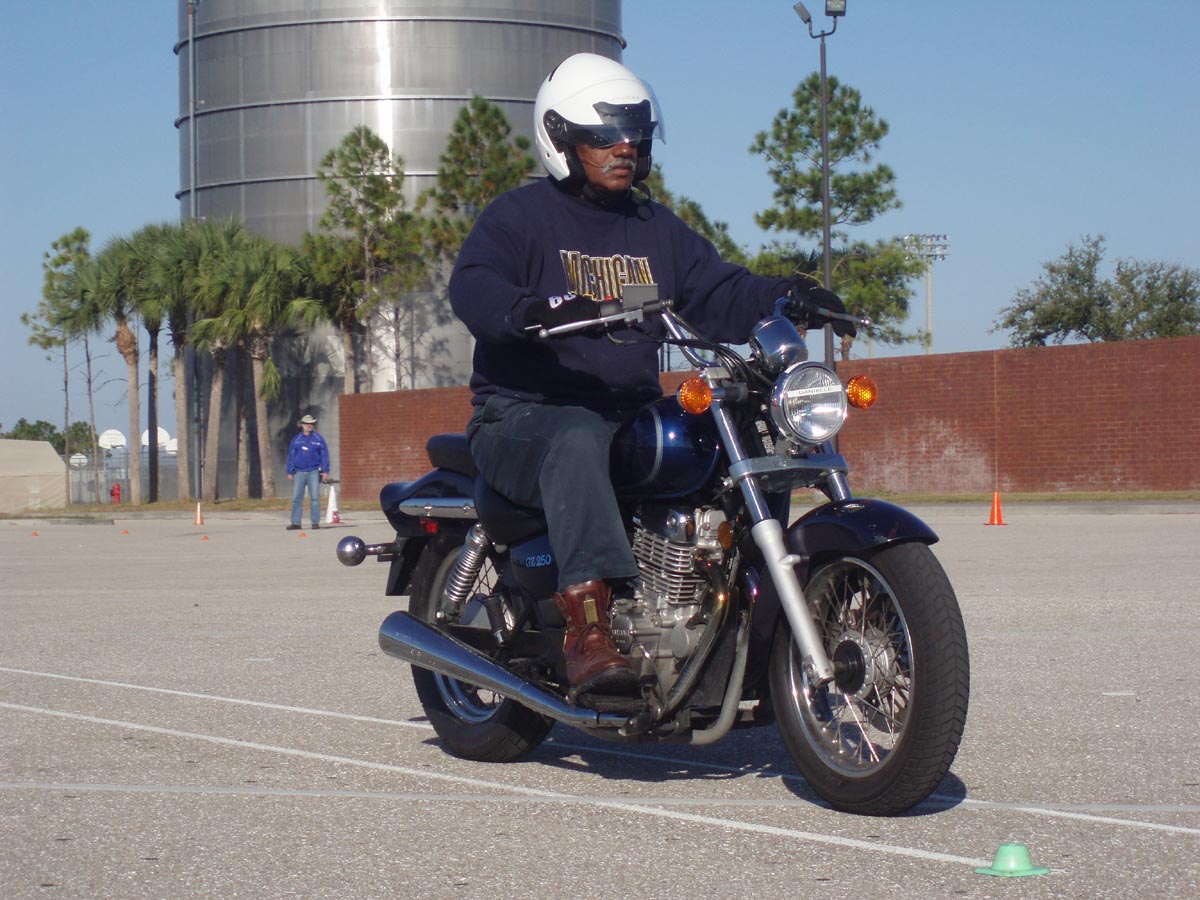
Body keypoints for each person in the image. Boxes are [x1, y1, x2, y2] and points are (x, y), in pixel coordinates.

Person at [448, 52, 854, 701]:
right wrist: (527, 310)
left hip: (627, 414)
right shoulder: (519, 218)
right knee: (577, 435)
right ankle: (587, 632)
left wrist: (786, 294)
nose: (625, 148)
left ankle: (726, 617)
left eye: (634, 135)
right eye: (605, 136)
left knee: (716, 436)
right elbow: (473, 285)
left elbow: (718, 291)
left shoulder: (654, 228)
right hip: (523, 413)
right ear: (561, 139)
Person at [286, 414, 331, 530]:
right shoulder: (296, 439)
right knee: (296, 498)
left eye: (311, 423)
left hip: (314, 471)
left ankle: (315, 522)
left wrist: (325, 470)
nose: (309, 425)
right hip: (299, 472)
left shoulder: (318, 439)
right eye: (306, 423)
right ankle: (296, 522)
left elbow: (324, 455)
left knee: (315, 497)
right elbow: (291, 456)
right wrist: (289, 471)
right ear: (302, 425)